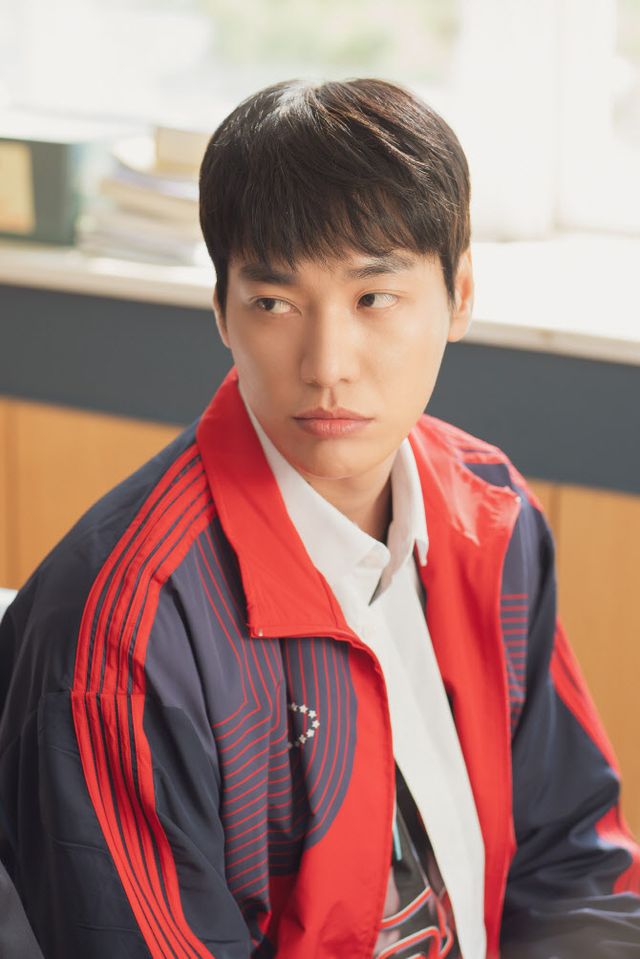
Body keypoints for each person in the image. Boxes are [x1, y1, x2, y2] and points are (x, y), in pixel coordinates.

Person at [0, 78, 639, 959]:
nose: (327, 364)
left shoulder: (492, 513)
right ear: (221, 310)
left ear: (458, 295)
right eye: (274, 302)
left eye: (373, 298)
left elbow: (572, 867)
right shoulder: (123, 637)